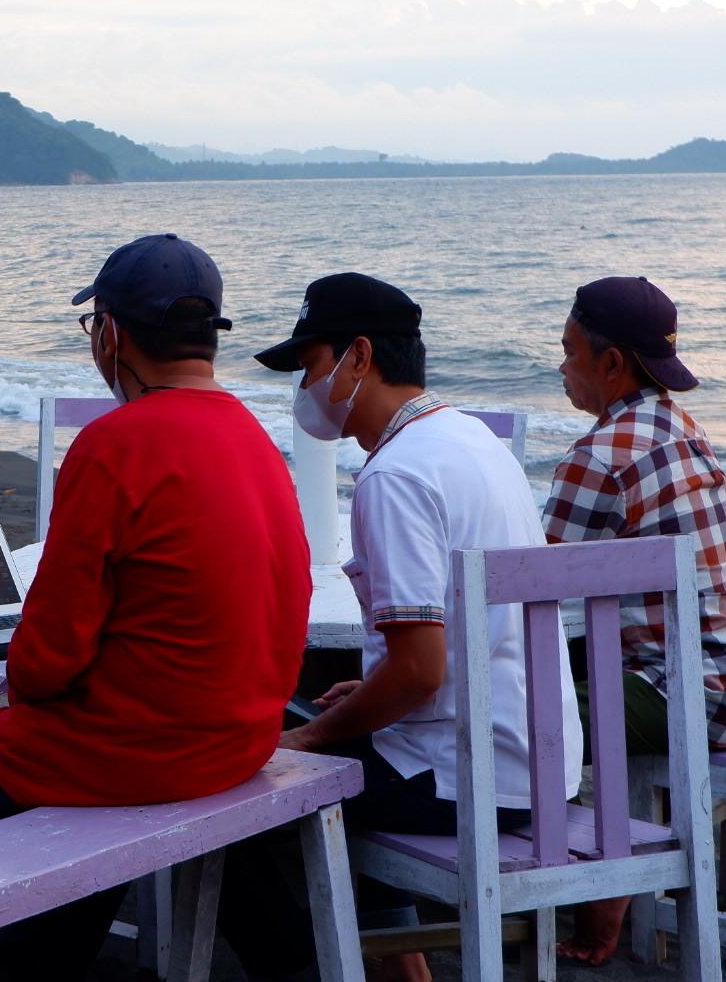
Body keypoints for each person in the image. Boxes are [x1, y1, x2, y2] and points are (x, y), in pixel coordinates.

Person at [0, 234, 313, 982]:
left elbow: (48, 660)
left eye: (94, 328)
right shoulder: (255, 438)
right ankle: (11, 966)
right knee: (72, 803)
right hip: (241, 737)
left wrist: (32, 685)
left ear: (112, 334)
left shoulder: (117, 443)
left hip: (140, 751)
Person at [226, 273, 583, 982]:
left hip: (466, 778)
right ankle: (401, 970)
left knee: (236, 792)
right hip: (542, 763)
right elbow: (462, 640)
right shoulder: (474, 440)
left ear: (359, 357)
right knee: (340, 722)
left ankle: (306, 966)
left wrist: (309, 739)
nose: (304, 385)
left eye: (310, 364)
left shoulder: (394, 475)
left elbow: (420, 671)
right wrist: (369, 695)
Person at [546, 276, 726, 965]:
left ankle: (604, 883)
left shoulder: (596, 455)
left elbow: (525, 593)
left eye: (569, 351)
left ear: (611, 363)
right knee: (562, 673)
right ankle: (612, 871)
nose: (560, 364)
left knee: (529, 714)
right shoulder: (680, 425)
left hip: (702, 693)